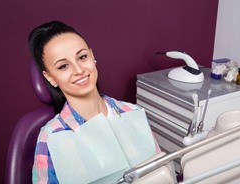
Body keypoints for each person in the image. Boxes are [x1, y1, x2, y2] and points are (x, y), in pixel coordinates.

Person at [28, 21, 161, 184]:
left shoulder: (133, 113)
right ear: (50, 77)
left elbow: (162, 172)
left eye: (82, 57)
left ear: (92, 56)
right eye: (63, 66)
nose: (78, 70)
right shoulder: (52, 137)